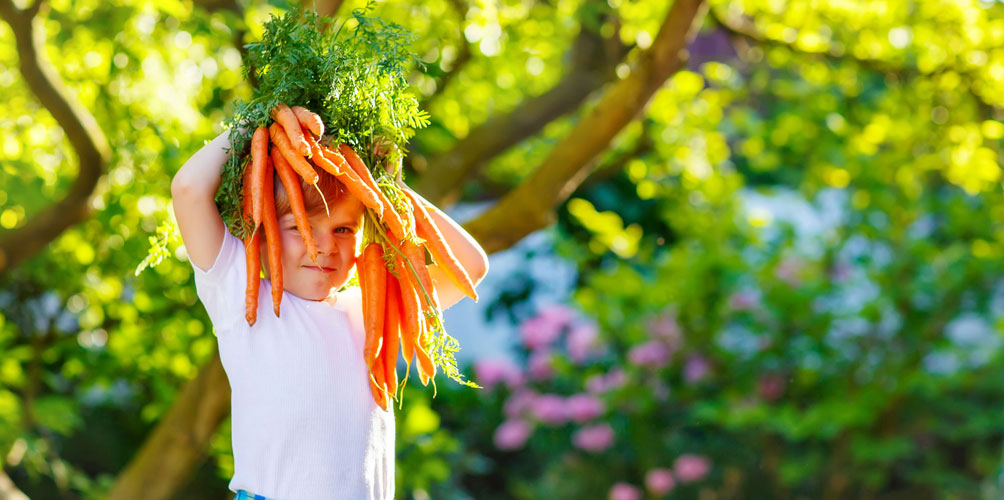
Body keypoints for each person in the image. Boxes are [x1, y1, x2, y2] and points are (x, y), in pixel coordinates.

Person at [170, 129, 490, 500]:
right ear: (261, 232)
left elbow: (469, 266)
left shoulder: (371, 308)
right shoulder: (242, 297)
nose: (324, 247)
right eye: (299, 227)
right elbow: (189, 191)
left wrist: (386, 188)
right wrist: (258, 122)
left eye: (343, 229)